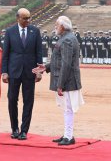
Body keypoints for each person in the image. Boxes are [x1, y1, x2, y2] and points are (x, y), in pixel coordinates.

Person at [32, 15, 84, 146]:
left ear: (62, 26)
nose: (55, 27)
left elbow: (66, 64)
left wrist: (60, 84)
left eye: (56, 25)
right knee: (66, 109)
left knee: (68, 109)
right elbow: (59, 60)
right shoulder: (65, 38)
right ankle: (67, 134)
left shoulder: (67, 40)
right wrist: (46, 67)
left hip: (68, 81)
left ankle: (69, 136)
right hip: (65, 79)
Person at [2, 8, 43, 140]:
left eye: (29, 18)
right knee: (12, 99)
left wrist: (39, 71)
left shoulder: (35, 31)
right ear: (18, 18)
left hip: (29, 72)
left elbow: (39, 53)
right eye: (25, 18)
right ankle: (14, 128)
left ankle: (24, 130)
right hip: (14, 71)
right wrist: (4, 72)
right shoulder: (10, 32)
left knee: (28, 101)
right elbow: (6, 53)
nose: (28, 20)